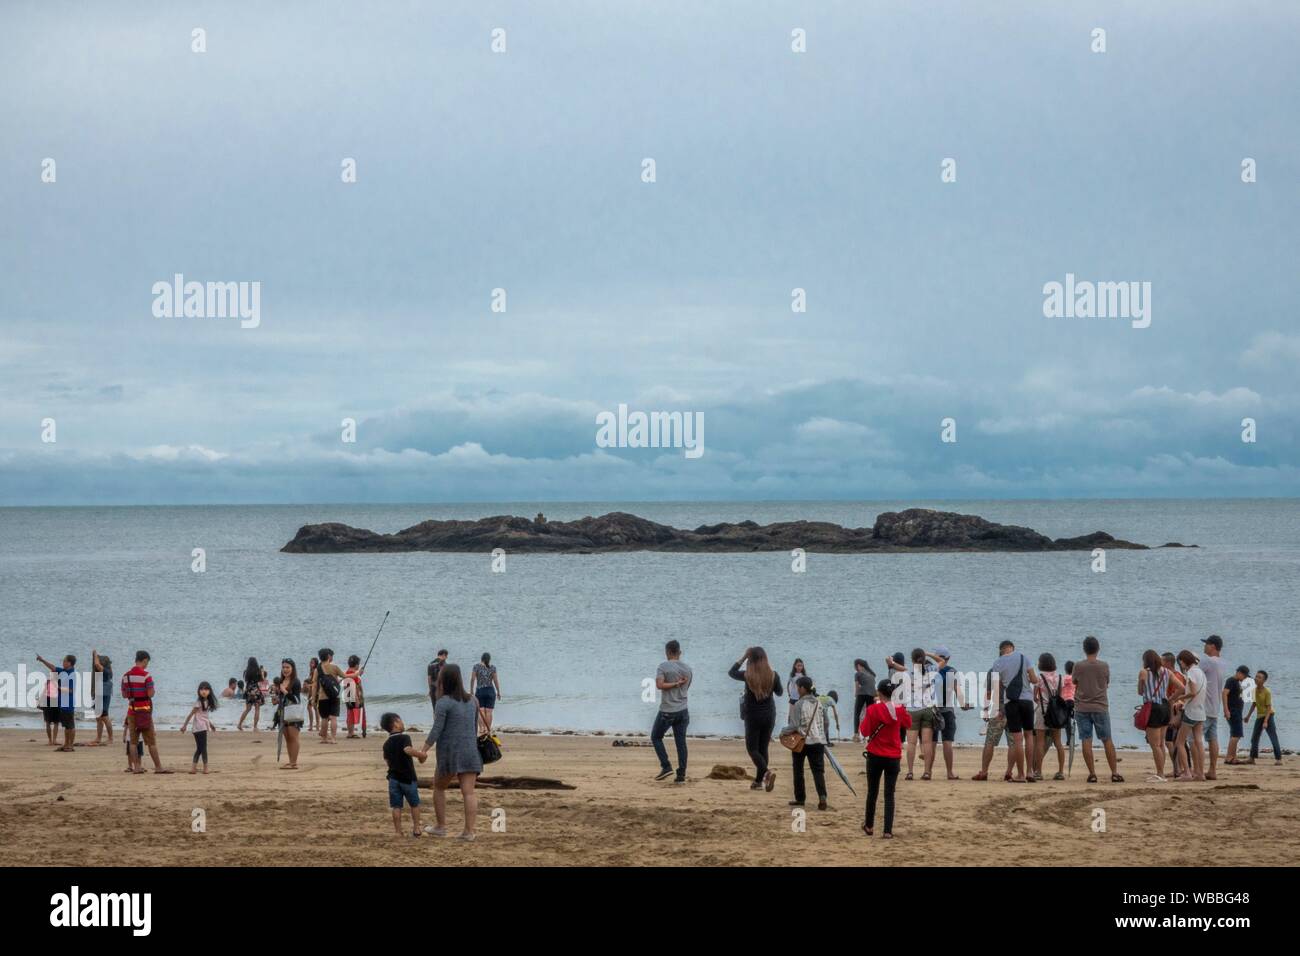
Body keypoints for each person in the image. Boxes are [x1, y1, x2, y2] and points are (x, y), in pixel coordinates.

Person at [421, 664, 482, 840]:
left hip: (449, 753)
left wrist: (424, 749)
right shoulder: (473, 700)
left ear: (443, 681)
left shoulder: (443, 702)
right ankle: (469, 832)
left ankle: (441, 827)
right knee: (468, 792)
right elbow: (473, 728)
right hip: (470, 750)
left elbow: (437, 729)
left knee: (439, 787)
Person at [861, 678, 912, 838]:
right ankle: (887, 830)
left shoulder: (872, 710)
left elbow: (864, 731)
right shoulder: (899, 709)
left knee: (872, 792)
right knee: (889, 794)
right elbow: (909, 723)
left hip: (875, 755)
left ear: (879, 692)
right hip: (893, 756)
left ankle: (869, 826)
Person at [728, 646, 783, 790]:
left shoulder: (747, 675)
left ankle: (767, 773)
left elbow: (731, 672)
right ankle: (759, 782)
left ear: (750, 660)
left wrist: (743, 657)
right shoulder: (773, 675)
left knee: (752, 749)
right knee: (763, 748)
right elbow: (780, 693)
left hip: (753, 716)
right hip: (769, 715)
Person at [1072, 635, 1122, 783]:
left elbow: (1075, 681)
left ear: (1084, 649)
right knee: (1107, 740)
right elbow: (1106, 683)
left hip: (1082, 707)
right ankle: (1114, 772)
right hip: (1100, 706)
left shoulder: (1078, 666)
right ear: (1098, 649)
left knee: (1086, 739)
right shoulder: (1104, 665)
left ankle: (1092, 773)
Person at [988, 640, 1039, 783]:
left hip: (1011, 702)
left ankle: (1021, 774)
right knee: (1029, 735)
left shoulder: (997, 663)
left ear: (1001, 650)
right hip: (1027, 701)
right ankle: (1030, 772)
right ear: (1012, 648)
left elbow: (997, 688)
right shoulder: (1024, 657)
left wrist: (999, 709)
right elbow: (1034, 680)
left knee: (1017, 739)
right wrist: (1028, 679)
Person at [122, 650, 170, 773]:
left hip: (132, 712)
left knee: (133, 742)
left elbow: (123, 694)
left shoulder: (125, 676)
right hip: (144, 712)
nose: (147, 665)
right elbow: (150, 693)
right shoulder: (146, 676)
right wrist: (150, 692)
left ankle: (136, 767)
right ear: (144, 660)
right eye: (147, 662)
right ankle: (158, 767)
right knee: (151, 742)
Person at [381, 712, 427, 837]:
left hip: (393, 779)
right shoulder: (404, 737)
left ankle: (398, 831)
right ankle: (416, 828)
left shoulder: (386, 744)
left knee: (396, 806)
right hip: (407, 778)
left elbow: (387, 761)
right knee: (414, 804)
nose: (402, 723)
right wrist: (421, 755)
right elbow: (407, 750)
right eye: (400, 720)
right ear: (395, 724)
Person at [651, 640, 692, 782]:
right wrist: (678, 685)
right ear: (679, 652)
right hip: (683, 710)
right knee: (681, 742)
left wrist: (674, 683)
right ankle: (681, 775)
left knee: (656, 737)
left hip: (668, 710)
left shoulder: (663, 666)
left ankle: (666, 766)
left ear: (667, 652)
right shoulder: (687, 669)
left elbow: (659, 685)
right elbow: (686, 688)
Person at [789, 677, 829, 811]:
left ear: (802, 688)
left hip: (802, 741)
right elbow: (826, 722)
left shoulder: (799, 704)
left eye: (797, 687)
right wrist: (821, 735)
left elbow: (794, 725)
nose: (796, 690)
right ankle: (822, 797)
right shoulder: (820, 703)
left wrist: (783, 732)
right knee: (818, 771)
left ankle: (800, 799)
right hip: (818, 741)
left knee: (798, 770)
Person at [1170, 649, 1208, 781]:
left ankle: (1187, 772)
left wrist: (1179, 697)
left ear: (1183, 661)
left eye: (1180, 662)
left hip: (1191, 711)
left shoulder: (1191, 672)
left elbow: (1192, 692)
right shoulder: (1201, 672)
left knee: (1180, 742)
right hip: (1201, 711)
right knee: (1199, 742)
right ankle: (1200, 773)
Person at [930, 647, 966, 780]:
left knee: (932, 742)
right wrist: (963, 704)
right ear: (948, 658)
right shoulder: (952, 671)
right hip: (948, 711)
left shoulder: (931, 670)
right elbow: (958, 690)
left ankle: (928, 771)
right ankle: (949, 772)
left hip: (933, 710)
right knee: (947, 742)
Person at [903, 647, 938, 780]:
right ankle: (927, 772)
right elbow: (941, 661)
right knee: (927, 742)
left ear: (912, 660)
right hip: (928, 709)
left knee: (911, 743)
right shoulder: (932, 671)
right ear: (924, 659)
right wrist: (929, 654)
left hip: (912, 710)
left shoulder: (908, 674)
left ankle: (910, 772)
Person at [1137, 649, 1172, 780]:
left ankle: (1160, 773)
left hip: (1153, 708)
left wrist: (1141, 683)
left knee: (1154, 744)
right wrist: (1172, 698)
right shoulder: (1166, 672)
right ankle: (1161, 772)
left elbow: (1140, 692)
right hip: (1165, 706)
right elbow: (1180, 687)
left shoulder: (1144, 672)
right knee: (1161, 743)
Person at [1199, 635, 1230, 780]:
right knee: (1212, 738)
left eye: (1206, 644)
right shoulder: (1223, 662)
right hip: (1215, 706)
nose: (1204, 647)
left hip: (1204, 706)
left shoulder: (1208, 661)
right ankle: (1212, 770)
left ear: (1212, 646)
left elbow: (1194, 674)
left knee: (1196, 739)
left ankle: (1197, 770)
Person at [1032, 653, 1066, 780]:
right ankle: (1060, 771)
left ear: (1041, 664)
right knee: (1058, 742)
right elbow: (1060, 696)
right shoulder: (1060, 677)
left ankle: (1038, 772)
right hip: (1056, 712)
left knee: (1040, 742)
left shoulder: (1039, 678)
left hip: (1043, 710)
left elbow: (1034, 696)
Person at [35, 653, 77, 752]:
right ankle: (66, 745)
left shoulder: (71, 674)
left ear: (69, 663)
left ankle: (69, 745)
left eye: (64, 661)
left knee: (70, 726)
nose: (63, 662)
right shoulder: (63, 671)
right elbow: (53, 667)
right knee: (67, 726)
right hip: (62, 703)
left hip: (68, 703)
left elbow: (71, 690)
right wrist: (42, 660)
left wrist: (58, 688)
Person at [180, 682, 218, 774]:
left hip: (202, 727)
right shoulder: (198, 703)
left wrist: (211, 725)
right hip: (198, 728)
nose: (203, 691)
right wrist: (184, 725)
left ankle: (193, 768)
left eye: (206, 689)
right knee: (203, 748)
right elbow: (191, 715)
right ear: (199, 691)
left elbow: (204, 716)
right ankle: (205, 768)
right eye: (201, 689)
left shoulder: (207, 702)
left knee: (200, 748)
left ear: (209, 691)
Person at [1245, 670, 1282, 765]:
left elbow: (1269, 708)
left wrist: (1266, 721)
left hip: (1268, 716)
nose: (1256, 678)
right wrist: (1248, 716)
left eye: (1259, 677)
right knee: (1254, 738)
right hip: (1259, 716)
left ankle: (1279, 759)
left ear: (1264, 680)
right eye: (1256, 676)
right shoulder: (1254, 690)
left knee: (1273, 737)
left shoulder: (1267, 691)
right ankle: (1252, 758)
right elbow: (1254, 704)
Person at [276, 659, 305, 769]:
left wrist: (284, 691)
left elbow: (296, 699)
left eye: (288, 667)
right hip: (282, 712)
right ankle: (290, 761)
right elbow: (282, 698)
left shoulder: (296, 681)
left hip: (294, 712)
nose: (285, 669)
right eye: (283, 667)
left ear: (292, 668)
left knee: (294, 737)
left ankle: (294, 763)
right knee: (287, 738)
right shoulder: (281, 682)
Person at [315, 648, 344, 743]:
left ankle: (324, 739)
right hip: (334, 696)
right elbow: (345, 676)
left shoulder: (317, 670)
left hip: (323, 697)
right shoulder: (334, 667)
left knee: (324, 718)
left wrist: (313, 698)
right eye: (331, 656)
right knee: (334, 718)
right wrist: (357, 674)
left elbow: (315, 685)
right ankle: (333, 738)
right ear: (328, 656)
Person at [1225, 665, 1250, 765]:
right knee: (1236, 735)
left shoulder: (1237, 682)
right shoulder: (1231, 681)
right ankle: (1229, 757)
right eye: (1244, 676)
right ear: (1239, 673)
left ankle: (1232, 756)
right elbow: (1224, 694)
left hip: (1237, 711)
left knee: (1235, 734)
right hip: (1233, 711)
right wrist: (1226, 710)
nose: (1244, 678)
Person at [470, 653, 501, 733]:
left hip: (480, 690)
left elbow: (472, 679)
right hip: (490, 690)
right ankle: (488, 729)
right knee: (489, 711)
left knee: (481, 710)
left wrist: (471, 690)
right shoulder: (493, 667)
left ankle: (481, 728)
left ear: (481, 658)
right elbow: (495, 680)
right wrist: (498, 692)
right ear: (489, 659)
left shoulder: (476, 666)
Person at [91, 650, 113, 746]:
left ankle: (110, 738)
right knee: (98, 717)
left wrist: (95, 654)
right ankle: (98, 737)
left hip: (103, 693)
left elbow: (96, 664)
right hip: (99, 693)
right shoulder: (103, 670)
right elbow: (96, 664)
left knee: (104, 716)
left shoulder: (105, 671)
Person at [851, 659, 877, 743]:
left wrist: (856, 694)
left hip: (862, 694)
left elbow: (857, 686)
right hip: (872, 695)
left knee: (857, 713)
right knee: (870, 715)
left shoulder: (857, 674)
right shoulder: (872, 674)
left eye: (855, 666)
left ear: (858, 665)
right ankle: (871, 735)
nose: (855, 668)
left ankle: (856, 735)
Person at [237, 657, 263, 731]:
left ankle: (239, 724)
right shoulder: (258, 671)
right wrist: (262, 672)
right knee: (257, 709)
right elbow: (261, 680)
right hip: (255, 690)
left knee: (247, 709)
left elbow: (246, 680)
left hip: (248, 690)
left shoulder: (246, 671)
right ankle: (255, 727)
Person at [343, 655, 365, 739]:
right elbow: (355, 686)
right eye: (358, 664)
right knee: (351, 714)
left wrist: (359, 674)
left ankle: (351, 732)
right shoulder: (353, 674)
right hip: (352, 695)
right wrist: (357, 698)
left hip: (347, 695)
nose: (358, 666)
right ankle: (350, 733)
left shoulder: (348, 672)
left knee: (350, 714)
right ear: (356, 665)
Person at [788, 658, 809, 723]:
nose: (800, 667)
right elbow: (788, 685)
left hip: (801, 698)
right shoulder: (792, 675)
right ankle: (789, 729)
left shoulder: (804, 676)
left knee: (800, 716)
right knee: (791, 715)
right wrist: (789, 694)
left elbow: (807, 687)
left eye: (801, 666)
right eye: (798, 665)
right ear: (795, 666)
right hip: (792, 698)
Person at [303, 659, 318, 732]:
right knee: (314, 708)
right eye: (310, 662)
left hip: (313, 691)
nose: (310, 664)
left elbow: (316, 682)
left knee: (311, 707)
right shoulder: (311, 671)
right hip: (311, 691)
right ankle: (315, 725)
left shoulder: (315, 671)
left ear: (315, 664)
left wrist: (308, 685)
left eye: (312, 663)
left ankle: (313, 725)